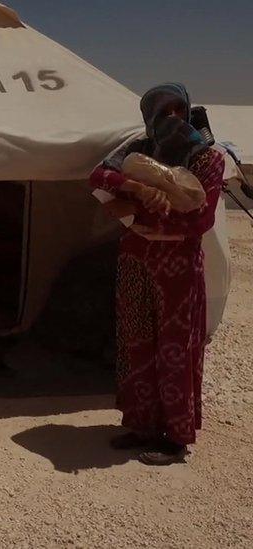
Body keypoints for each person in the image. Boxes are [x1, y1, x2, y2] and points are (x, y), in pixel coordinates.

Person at [90, 83, 224, 466]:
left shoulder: (207, 159)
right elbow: (97, 177)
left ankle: (176, 435)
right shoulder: (138, 152)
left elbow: (200, 218)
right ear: (148, 117)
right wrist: (134, 187)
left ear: (188, 110)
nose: (172, 120)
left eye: (177, 110)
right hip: (135, 259)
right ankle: (141, 424)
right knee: (135, 342)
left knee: (175, 347)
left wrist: (132, 211)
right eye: (162, 112)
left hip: (178, 266)